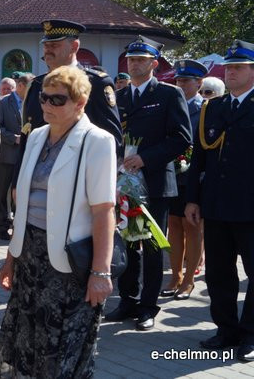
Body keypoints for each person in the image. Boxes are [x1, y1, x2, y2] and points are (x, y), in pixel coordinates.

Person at [0, 65, 116, 377]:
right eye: (45, 98)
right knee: (27, 343)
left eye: (58, 100)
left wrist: (101, 272)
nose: (47, 105)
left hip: (69, 263)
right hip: (30, 256)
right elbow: (23, 203)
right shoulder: (35, 136)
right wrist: (11, 257)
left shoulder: (97, 141)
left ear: (80, 103)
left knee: (61, 351)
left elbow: (104, 210)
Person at [105, 36, 191, 331]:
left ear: (154, 64)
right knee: (128, 244)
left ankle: (148, 305)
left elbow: (181, 138)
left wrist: (146, 158)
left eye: (141, 59)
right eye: (131, 59)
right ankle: (127, 300)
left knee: (152, 247)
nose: (134, 63)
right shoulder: (120, 97)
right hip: (126, 184)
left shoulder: (169, 94)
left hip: (154, 182)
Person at [186, 39, 254, 362]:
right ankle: (226, 329)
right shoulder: (214, 108)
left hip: (250, 206)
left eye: (238, 67)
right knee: (218, 271)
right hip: (215, 204)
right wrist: (193, 199)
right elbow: (199, 158)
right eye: (228, 68)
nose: (230, 73)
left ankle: (250, 334)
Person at [20, 20, 123, 159]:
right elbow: (26, 140)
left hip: (78, 174)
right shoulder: (36, 85)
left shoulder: (96, 83)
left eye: (54, 45)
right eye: (46, 45)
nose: (48, 49)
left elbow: (112, 142)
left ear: (74, 46)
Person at [162, 59, 208, 301]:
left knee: (192, 227)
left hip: (194, 177)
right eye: (178, 80)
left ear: (199, 83)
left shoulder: (205, 108)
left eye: (185, 80)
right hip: (173, 175)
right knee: (174, 226)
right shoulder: (171, 103)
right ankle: (175, 276)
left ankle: (189, 280)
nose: (180, 84)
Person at [0, 77, 24, 240]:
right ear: (20, 86)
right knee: (0, 193)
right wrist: (13, 137)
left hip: (24, 156)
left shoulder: (32, 102)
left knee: (19, 193)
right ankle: (1, 226)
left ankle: (17, 226)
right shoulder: (2, 103)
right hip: (6, 155)